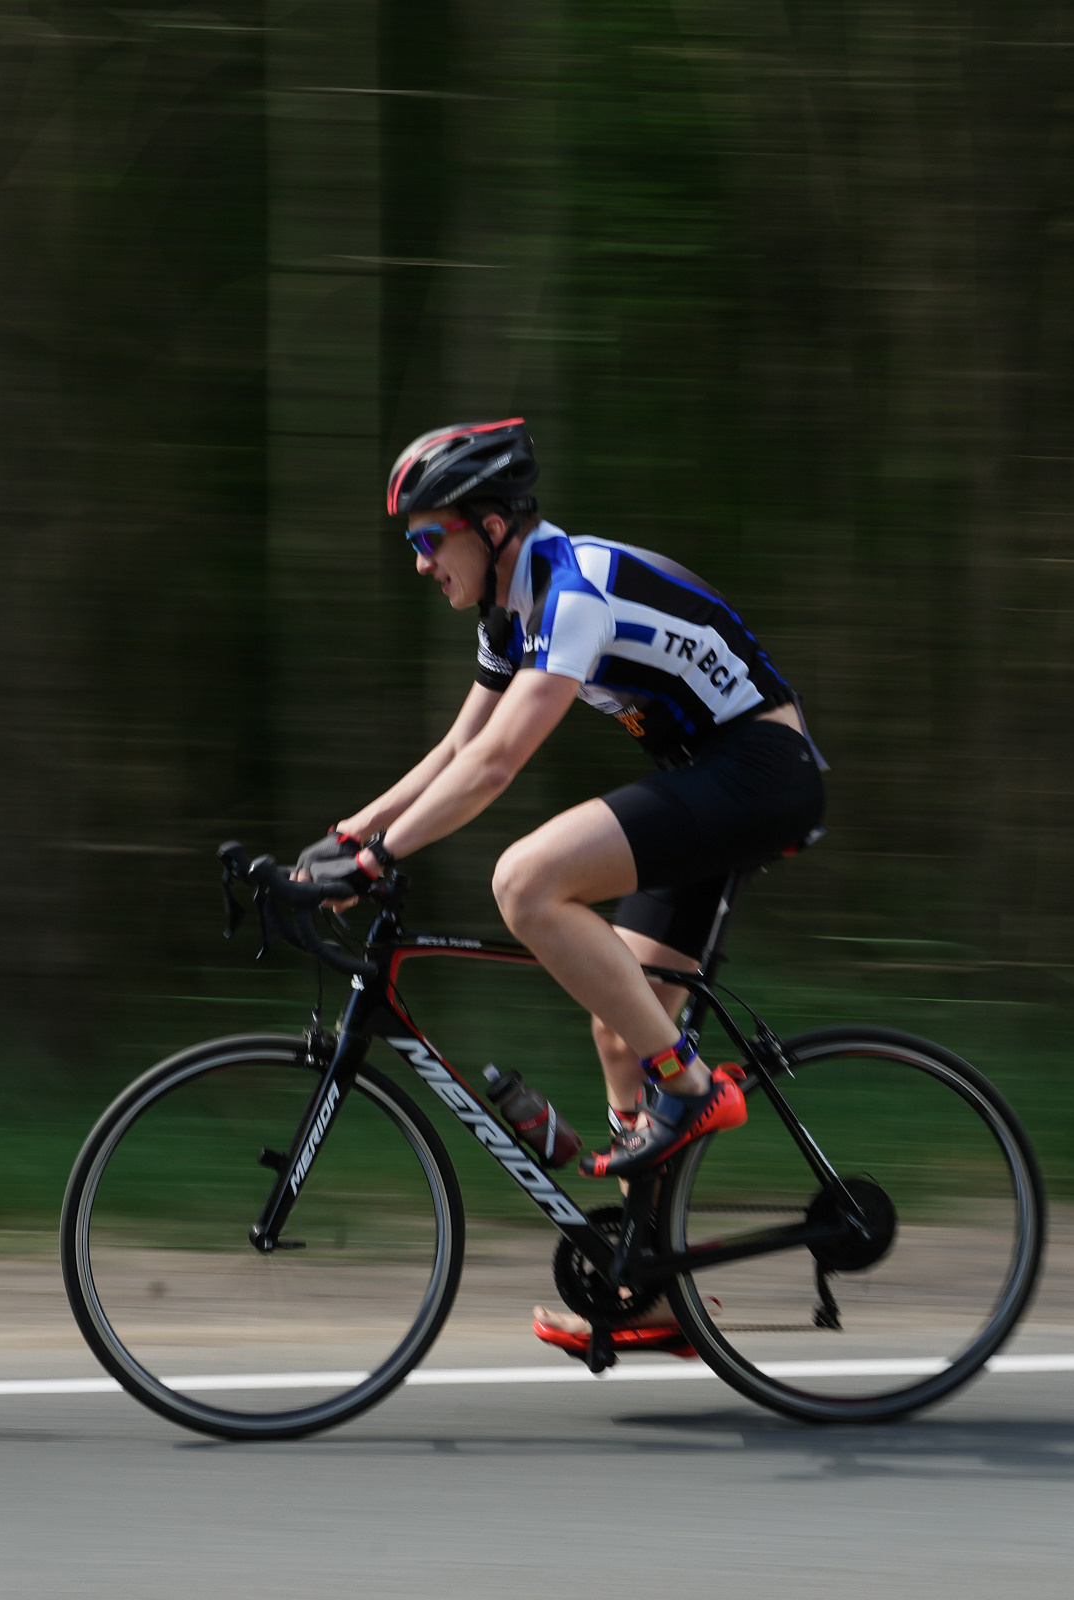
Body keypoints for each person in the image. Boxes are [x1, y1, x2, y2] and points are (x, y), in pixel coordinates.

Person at [294, 418, 826, 1350]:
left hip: (758, 769)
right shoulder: (515, 607)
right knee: (621, 1022)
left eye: (429, 537)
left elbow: (498, 765)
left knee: (526, 879)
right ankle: (655, 1288)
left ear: (490, 526)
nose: (420, 563)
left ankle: (691, 1083)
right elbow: (457, 747)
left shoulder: (575, 590)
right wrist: (352, 834)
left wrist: (386, 859)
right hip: (709, 773)